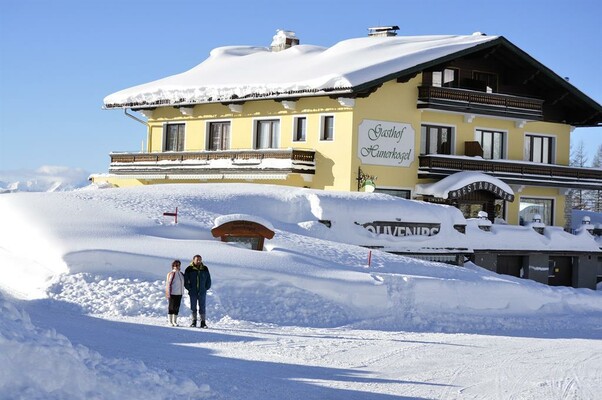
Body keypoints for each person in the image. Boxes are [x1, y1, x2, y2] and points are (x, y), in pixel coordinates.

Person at [184, 254, 212, 328]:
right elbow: (185, 280)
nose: (199, 261)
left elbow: (208, 279)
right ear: (193, 260)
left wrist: (206, 287)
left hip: (202, 291)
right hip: (193, 291)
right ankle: (194, 322)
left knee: (202, 306)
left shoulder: (205, 268)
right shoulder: (189, 269)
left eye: (200, 260)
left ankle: (203, 322)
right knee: (193, 307)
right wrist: (189, 288)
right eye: (197, 260)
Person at [165, 259, 185, 327]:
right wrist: (168, 293)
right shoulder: (171, 274)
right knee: (171, 307)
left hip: (179, 293)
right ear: (173, 266)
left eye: (178, 265)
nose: (177, 266)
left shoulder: (181, 274)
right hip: (172, 293)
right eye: (175, 265)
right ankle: (170, 321)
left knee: (177, 307)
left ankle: (175, 321)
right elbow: (168, 284)